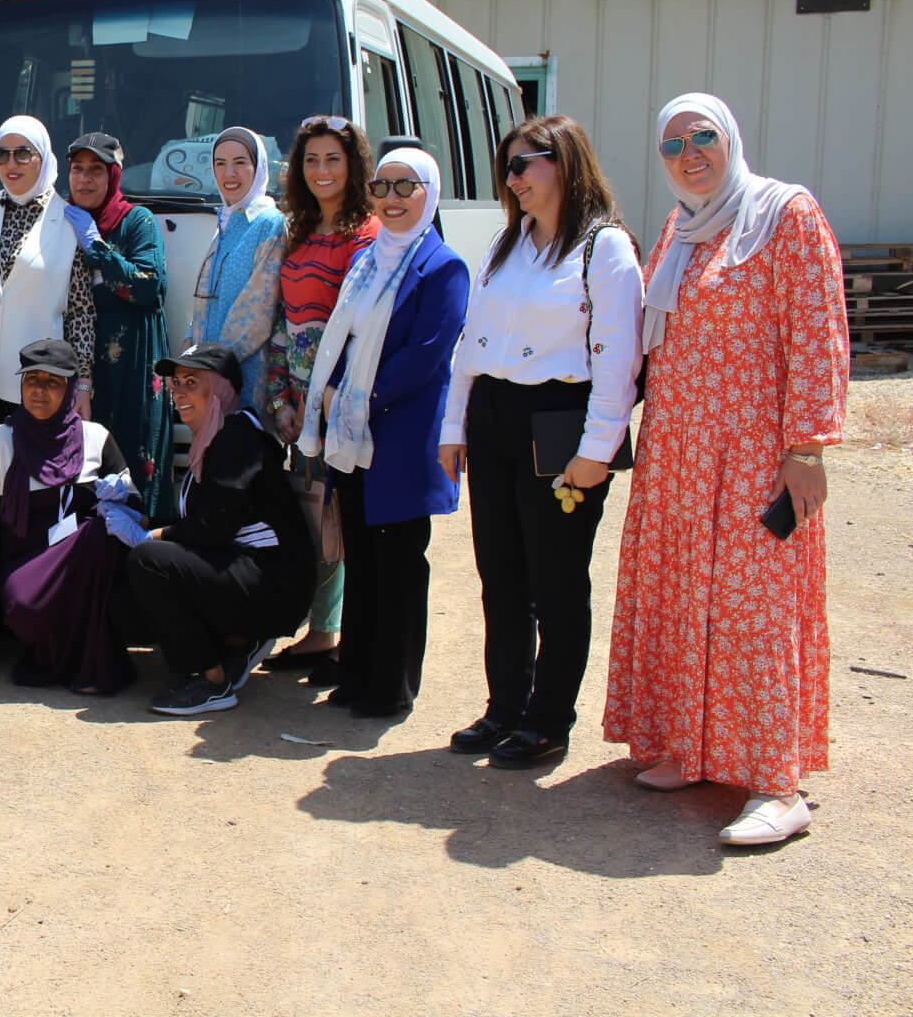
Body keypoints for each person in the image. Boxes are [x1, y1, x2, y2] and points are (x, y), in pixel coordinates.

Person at [604, 92, 847, 846]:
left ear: (731, 137)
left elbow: (817, 332)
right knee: (684, 596)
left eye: (702, 137)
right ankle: (694, 746)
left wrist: (806, 447)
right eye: (673, 147)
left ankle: (778, 782)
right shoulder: (681, 228)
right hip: (680, 456)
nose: (690, 155)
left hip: (754, 457)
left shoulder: (785, 215)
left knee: (756, 608)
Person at [438, 117, 644, 767]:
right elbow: (470, 343)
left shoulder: (603, 248)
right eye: (508, 169)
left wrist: (599, 448)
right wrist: (453, 425)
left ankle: (548, 718)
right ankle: (506, 707)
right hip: (495, 413)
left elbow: (617, 358)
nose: (513, 180)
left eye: (524, 165)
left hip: (561, 417)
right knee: (499, 574)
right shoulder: (507, 243)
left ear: (564, 161)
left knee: (555, 580)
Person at [299, 147, 468, 719]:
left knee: (398, 565)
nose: (391, 200)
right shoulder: (367, 260)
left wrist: (355, 397)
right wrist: (337, 395)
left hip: (398, 437)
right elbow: (344, 341)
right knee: (364, 560)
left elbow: (426, 357)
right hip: (353, 434)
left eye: (406, 187)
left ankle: (392, 686)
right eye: (382, 188)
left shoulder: (444, 267)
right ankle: (357, 674)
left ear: (430, 194)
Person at [120, 344, 315, 716]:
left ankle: (211, 680)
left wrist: (149, 537)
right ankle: (235, 642)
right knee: (126, 598)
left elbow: (212, 529)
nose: (179, 393)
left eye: (192, 382)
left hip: (275, 584)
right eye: (176, 384)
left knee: (147, 560)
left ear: (221, 389)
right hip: (248, 571)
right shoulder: (213, 436)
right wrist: (143, 525)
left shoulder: (236, 437)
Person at [264, 116, 380, 676]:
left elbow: (370, 327)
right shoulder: (299, 232)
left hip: (348, 402)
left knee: (350, 519)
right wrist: (284, 399)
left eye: (333, 159)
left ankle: (352, 638)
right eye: (311, 160)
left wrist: (335, 395)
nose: (321, 171)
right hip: (304, 407)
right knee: (317, 516)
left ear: (354, 165)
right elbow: (286, 325)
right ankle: (323, 631)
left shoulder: (371, 235)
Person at [0, 339, 134, 695]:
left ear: (69, 389)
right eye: (31, 379)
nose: (39, 390)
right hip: (27, 560)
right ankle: (58, 655)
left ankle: (94, 667)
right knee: (24, 608)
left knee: (99, 534)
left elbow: (134, 507)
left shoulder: (96, 438)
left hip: (89, 568)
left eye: (52, 382)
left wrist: (123, 498)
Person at [0, 116, 95, 416]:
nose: (11, 163)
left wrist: (83, 382)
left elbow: (81, 313)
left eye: (23, 153)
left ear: (42, 156)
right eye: (2, 154)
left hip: (36, 384)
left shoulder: (69, 221)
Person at [63, 132, 174, 521]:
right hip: (84, 376)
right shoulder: (61, 223)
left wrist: (97, 247)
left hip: (133, 375)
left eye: (96, 170)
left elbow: (150, 287)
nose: (85, 179)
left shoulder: (135, 221)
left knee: (134, 467)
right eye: (77, 169)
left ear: (113, 176)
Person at [186, 126, 285, 414]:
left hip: (240, 372)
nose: (229, 173)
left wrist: (214, 366)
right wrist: (189, 352)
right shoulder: (226, 220)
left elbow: (257, 312)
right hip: (207, 374)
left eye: (240, 163)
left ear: (259, 167)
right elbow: (205, 298)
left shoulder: (269, 223)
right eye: (220, 164)